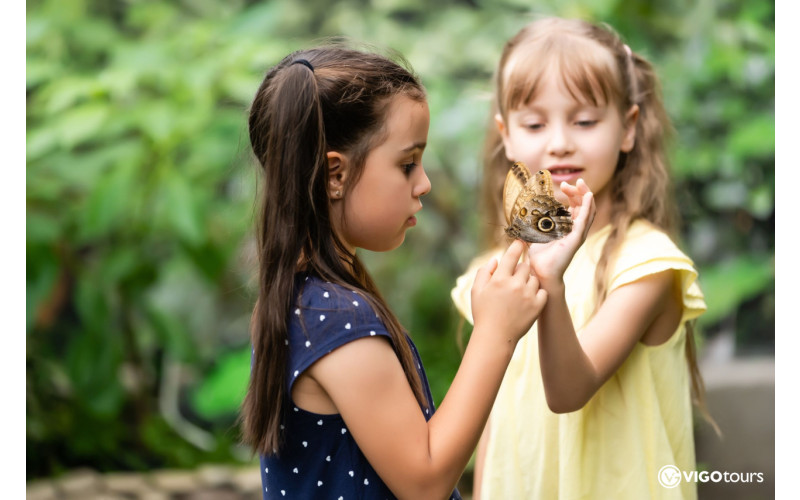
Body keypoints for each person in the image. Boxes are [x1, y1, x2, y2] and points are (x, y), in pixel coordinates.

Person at [239, 44, 550, 500]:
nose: (423, 183)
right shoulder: (332, 316)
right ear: (335, 175)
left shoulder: (308, 298)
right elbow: (425, 480)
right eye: (407, 164)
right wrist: (496, 331)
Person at [451, 17, 715, 499]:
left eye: (585, 120)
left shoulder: (646, 264)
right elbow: (494, 419)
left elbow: (568, 392)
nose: (559, 142)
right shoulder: (495, 273)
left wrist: (550, 282)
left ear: (628, 128)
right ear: (506, 134)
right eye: (534, 123)